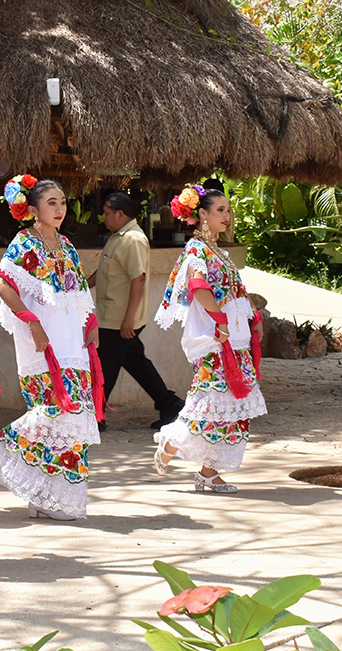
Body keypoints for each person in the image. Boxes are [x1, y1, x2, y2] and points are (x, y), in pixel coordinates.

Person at [0, 175, 100, 521]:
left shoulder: (66, 245)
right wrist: (32, 322)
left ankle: (49, 497)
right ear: (33, 209)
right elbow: (2, 284)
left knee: (72, 422)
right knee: (53, 415)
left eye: (63, 202)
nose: (60, 208)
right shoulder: (24, 243)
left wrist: (91, 326)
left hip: (73, 345)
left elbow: (80, 292)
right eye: (51, 202)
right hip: (43, 347)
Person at [153, 186, 266, 493]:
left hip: (234, 339)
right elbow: (198, 287)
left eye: (228, 210)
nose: (227, 216)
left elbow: (236, 292)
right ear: (202, 214)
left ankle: (208, 473)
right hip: (215, 340)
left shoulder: (220, 253)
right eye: (220, 210)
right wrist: (220, 320)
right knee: (209, 404)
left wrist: (252, 317)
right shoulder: (197, 251)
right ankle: (172, 440)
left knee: (232, 407)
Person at [88, 192, 183, 431]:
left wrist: (129, 319)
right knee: (135, 362)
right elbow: (103, 272)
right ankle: (169, 403)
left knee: (105, 366)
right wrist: (79, 287)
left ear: (120, 214)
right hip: (112, 316)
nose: (103, 217)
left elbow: (138, 279)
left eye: (107, 213)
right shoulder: (118, 237)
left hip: (120, 319)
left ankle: (94, 417)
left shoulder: (133, 239)